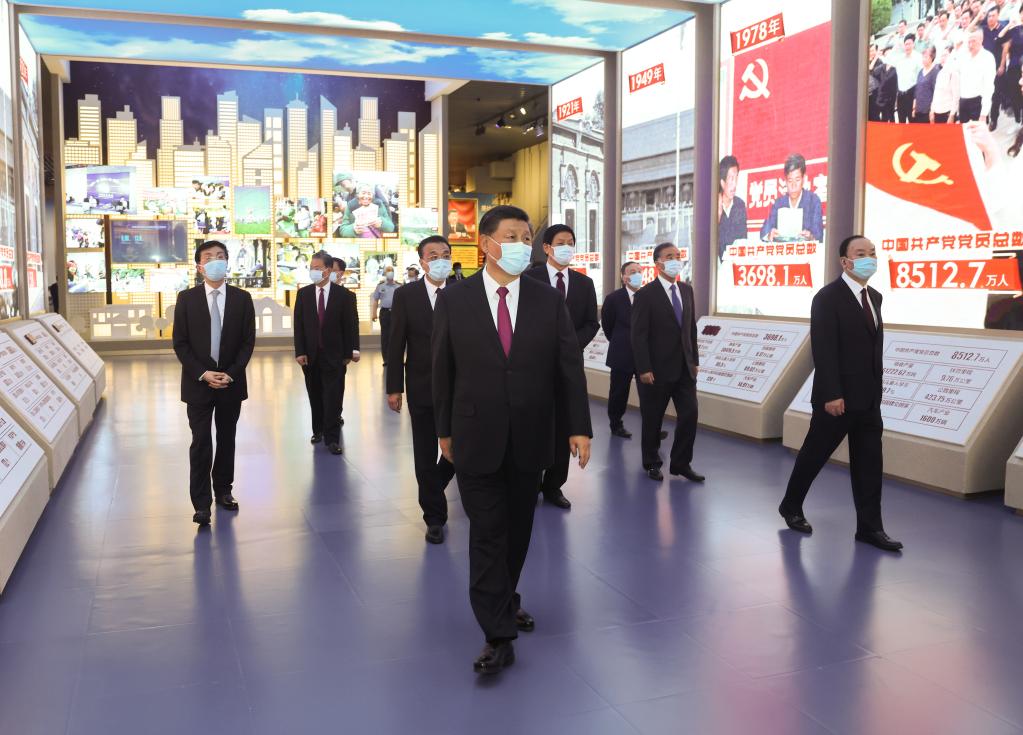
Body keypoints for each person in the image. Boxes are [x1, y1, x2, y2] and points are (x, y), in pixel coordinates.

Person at [432, 204, 592, 675]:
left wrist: (578, 426)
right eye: (511, 236)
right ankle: (498, 634)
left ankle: (505, 598)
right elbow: (442, 370)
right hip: (474, 434)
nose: (522, 244)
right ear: (486, 244)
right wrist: (443, 429)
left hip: (531, 434)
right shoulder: (455, 300)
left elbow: (568, 367)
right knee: (487, 532)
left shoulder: (547, 300)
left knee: (518, 532)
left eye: (526, 237)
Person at [778, 236, 903, 553]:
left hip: (869, 399)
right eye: (860, 253)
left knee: (869, 464)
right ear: (845, 262)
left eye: (872, 253)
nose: (869, 258)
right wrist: (832, 393)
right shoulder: (826, 298)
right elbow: (824, 349)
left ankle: (870, 528)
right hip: (837, 399)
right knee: (814, 456)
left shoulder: (874, 297)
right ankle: (791, 505)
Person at [172, 240, 255, 526]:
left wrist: (231, 372)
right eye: (209, 257)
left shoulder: (242, 299)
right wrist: (203, 373)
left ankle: (223, 490)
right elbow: (180, 343)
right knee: (201, 442)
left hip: (231, 382)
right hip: (198, 384)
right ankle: (201, 504)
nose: (216, 261)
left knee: (227, 438)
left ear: (227, 262)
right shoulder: (186, 299)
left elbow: (247, 342)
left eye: (220, 256)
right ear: (200, 266)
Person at [386, 236, 457, 544]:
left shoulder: (463, 292)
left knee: (460, 448)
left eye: (445, 254)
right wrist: (394, 387)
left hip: (460, 386)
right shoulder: (406, 295)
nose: (440, 260)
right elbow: (396, 343)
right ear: (422, 262)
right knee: (425, 452)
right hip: (421, 384)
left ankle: (432, 487)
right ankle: (434, 517)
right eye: (433, 255)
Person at [524, 224, 598, 510]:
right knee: (534, 424)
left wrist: (570, 344)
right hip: (534, 364)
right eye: (561, 242)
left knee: (564, 423)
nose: (567, 247)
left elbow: (591, 322)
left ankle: (554, 485)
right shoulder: (529, 279)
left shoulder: (584, 283)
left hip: (569, 366)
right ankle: (530, 482)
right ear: (546, 247)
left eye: (571, 242)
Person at [630, 242, 703, 484]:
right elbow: (638, 335)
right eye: (669, 256)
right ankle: (652, 462)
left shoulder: (686, 290)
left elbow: (690, 329)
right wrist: (643, 368)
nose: (675, 260)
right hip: (656, 370)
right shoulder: (645, 294)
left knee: (690, 414)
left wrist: (694, 360)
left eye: (678, 256)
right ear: (658, 263)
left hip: (684, 369)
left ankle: (681, 463)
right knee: (653, 419)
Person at [294, 251, 357, 456]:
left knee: (333, 397)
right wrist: (300, 351)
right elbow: (299, 326)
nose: (313, 271)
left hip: (335, 356)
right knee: (315, 395)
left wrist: (351, 351)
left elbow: (350, 325)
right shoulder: (303, 294)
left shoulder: (344, 296)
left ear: (328, 271)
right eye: (311, 268)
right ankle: (318, 430)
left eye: (317, 268)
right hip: (310, 356)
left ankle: (332, 438)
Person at [602, 262, 643, 438]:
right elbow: (607, 325)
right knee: (618, 392)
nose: (637, 274)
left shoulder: (647, 297)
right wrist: (620, 340)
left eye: (639, 271)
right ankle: (616, 424)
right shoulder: (613, 298)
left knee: (649, 395)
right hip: (621, 353)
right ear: (623, 277)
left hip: (644, 356)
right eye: (632, 272)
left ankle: (653, 429)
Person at [760, 154, 825, 242]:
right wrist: (769, 234)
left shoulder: (813, 201)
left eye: (797, 180)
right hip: (784, 249)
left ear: (803, 179)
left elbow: (819, 234)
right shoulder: (779, 203)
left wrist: (811, 237)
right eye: (790, 181)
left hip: (804, 250)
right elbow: (764, 230)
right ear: (785, 181)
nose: (793, 186)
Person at [329, 258, 360, 426]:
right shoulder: (314, 294)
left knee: (337, 385)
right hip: (319, 350)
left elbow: (352, 324)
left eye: (333, 270)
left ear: (340, 273)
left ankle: (335, 414)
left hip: (339, 351)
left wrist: (353, 349)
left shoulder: (348, 296)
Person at [958, 28, 998, 122]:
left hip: (977, 103)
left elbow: (988, 87)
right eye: (969, 42)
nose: (970, 45)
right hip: (963, 102)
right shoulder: (964, 57)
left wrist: (984, 113)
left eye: (973, 41)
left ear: (981, 40)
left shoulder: (987, 57)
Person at [718, 155, 748, 257]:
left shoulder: (740, 205)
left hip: (735, 261)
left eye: (736, 178)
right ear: (722, 182)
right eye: (731, 179)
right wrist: (718, 215)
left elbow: (743, 240)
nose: (734, 184)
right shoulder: (713, 206)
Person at [371, 266, 400, 366]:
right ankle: (386, 359)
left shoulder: (399, 286)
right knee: (385, 336)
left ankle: (396, 358)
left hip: (396, 313)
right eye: (388, 271)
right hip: (385, 313)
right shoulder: (380, 286)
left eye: (391, 271)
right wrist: (374, 313)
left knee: (396, 335)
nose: (390, 273)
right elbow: (375, 300)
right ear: (385, 273)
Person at [894, 34, 923, 122]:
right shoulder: (900, 59)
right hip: (901, 94)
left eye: (909, 44)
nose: (907, 46)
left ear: (913, 45)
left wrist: (916, 97)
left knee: (912, 121)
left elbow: (921, 77)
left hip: (912, 93)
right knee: (901, 121)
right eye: (906, 44)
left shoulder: (918, 57)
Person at [932, 43, 961, 122]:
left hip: (947, 113)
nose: (943, 58)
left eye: (945, 55)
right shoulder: (940, 73)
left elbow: (956, 96)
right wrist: (932, 110)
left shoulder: (954, 73)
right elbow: (936, 93)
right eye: (942, 56)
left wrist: (952, 115)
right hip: (937, 112)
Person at [913, 45, 942, 121]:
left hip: (928, 111)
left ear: (932, 57)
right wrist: (914, 107)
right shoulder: (920, 71)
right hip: (918, 110)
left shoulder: (935, 72)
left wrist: (932, 111)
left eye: (926, 57)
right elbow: (917, 90)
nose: (923, 59)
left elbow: (936, 93)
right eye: (923, 57)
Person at [876, 45, 900, 122]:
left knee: (891, 117)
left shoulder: (896, 68)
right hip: (882, 97)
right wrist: (876, 57)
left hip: (891, 97)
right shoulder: (881, 67)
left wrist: (896, 99)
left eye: (890, 54)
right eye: (886, 55)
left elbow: (897, 84)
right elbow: (872, 71)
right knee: (884, 118)